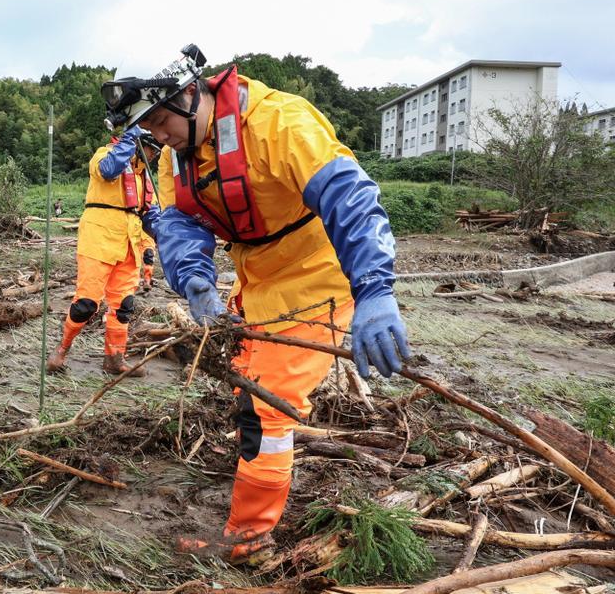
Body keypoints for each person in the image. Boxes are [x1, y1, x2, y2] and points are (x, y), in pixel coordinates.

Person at [102, 45, 410, 564]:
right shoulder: (182, 153)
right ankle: (252, 519)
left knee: (266, 412)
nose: (156, 135)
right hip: (259, 282)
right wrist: (196, 281)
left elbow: (349, 197)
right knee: (251, 400)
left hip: (318, 276)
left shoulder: (278, 121)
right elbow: (179, 223)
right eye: (147, 127)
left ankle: (248, 539)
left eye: (158, 120)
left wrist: (374, 289)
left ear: (187, 92)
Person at [46, 126, 160, 376]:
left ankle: (114, 359)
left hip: (129, 245)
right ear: (140, 145)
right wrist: (129, 140)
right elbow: (109, 171)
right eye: (151, 150)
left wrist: (166, 234)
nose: (153, 156)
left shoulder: (143, 177)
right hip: (99, 240)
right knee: (86, 303)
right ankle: (61, 350)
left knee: (124, 306)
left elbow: (148, 212)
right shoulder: (104, 155)